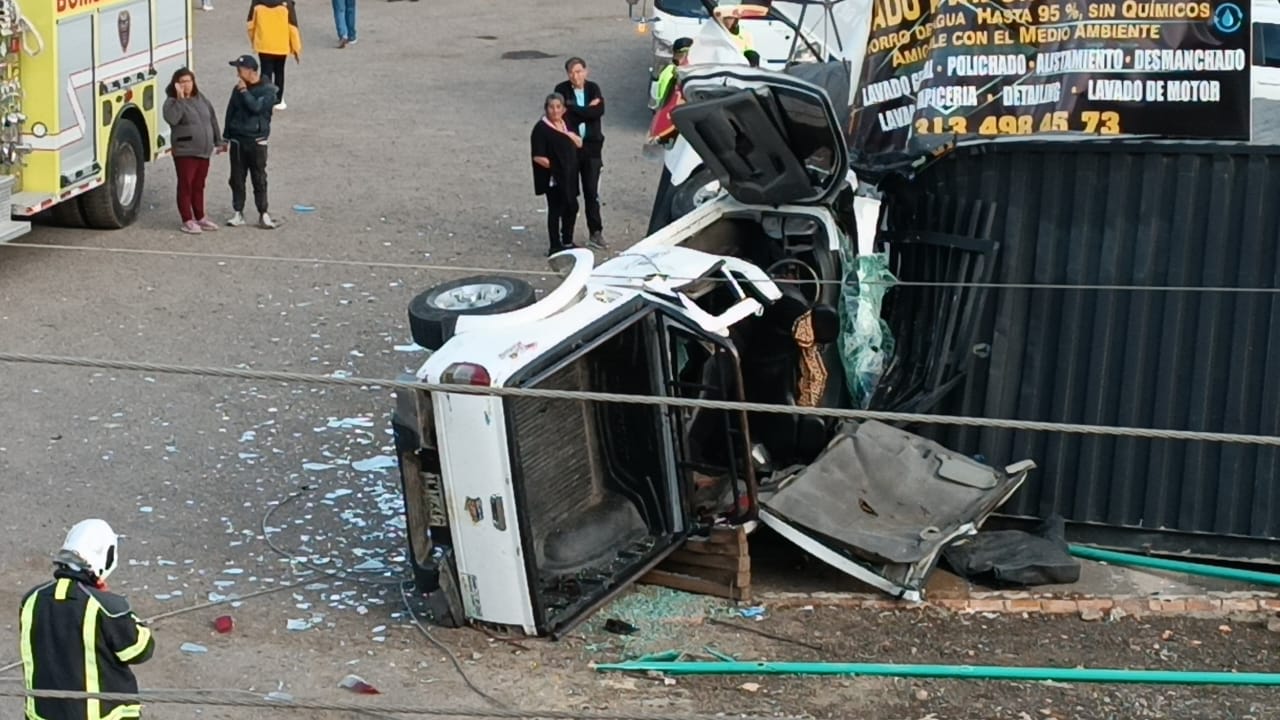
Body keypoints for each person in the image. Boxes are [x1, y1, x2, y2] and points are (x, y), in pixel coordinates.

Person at [20, 519, 155, 720]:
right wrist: (124, 612)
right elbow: (140, 650)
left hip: (42, 713)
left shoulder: (32, 599)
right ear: (106, 557)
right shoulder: (107, 606)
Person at [554, 57, 607, 250]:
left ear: (586, 71)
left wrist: (575, 108)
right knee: (569, 194)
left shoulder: (593, 88)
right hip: (570, 150)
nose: (575, 76)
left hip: (592, 148)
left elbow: (598, 111)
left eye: (579, 71)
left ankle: (596, 232)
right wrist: (586, 109)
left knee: (592, 193)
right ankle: (566, 237)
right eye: (571, 72)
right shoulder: (561, 89)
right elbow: (563, 114)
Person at [162, 68, 222, 235]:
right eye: (182, 82)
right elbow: (173, 119)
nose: (186, 85)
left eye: (189, 81)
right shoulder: (171, 103)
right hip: (185, 151)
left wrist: (219, 140)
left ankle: (200, 216)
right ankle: (187, 219)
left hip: (204, 150)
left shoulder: (201, 99)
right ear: (176, 84)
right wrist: (180, 99)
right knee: (186, 185)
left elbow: (212, 119)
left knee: (199, 185)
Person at [223, 54, 278, 229]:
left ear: (250, 71)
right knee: (237, 178)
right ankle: (238, 212)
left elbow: (256, 108)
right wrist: (225, 137)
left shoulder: (268, 90)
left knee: (259, 178)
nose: (237, 75)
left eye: (239, 70)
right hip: (238, 140)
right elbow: (230, 111)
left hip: (257, 140)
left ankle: (263, 213)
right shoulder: (237, 89)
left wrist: (245, 92)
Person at [531, 93, 582, 256]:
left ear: (563, 109)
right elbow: (538, 156)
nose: (555, 110)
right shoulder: (541, 129)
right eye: (551, 107)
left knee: (572, 206)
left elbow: (578, 143)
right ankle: (555, 245)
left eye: (558, 107)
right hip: (554, 178)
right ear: (546, 108)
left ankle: (567, 239)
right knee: (556, 209)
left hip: (570, 175)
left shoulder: (565, 124)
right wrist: (556, 167)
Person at [246, 0, 301, 110]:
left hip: (263, 44)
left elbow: (250, 24)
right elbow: (292, 27)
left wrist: (254, 40)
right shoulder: (287, 4)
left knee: (265, 71)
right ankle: (278, 99)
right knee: (279, 71)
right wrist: (296, 49)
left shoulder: (257, 2)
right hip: (281, 44)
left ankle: (264, 97)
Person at [654, 37, 692, 109]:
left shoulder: (701, 71)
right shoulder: (668, 73)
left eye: (689, 54)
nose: (686, 59)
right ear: (675, 56)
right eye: (681, 55)